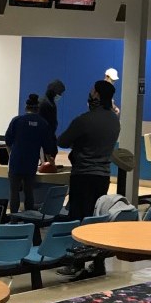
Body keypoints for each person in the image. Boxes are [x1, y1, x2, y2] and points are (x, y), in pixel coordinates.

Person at [56, 80, 121, 278]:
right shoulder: (114, 120)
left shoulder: (84, 119)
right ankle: (98, 262)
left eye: (92, 91)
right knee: (95, 218)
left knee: (78, 219)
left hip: (83, 175)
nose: (90, 94)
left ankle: (76, 263)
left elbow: (63, 140)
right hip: (103, 176)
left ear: (97, 95)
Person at [4, 93, 57, 213]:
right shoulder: (43, 123)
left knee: (14, 192)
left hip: (16, 162)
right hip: (31, 163)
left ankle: (13, 218)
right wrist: (52, 163)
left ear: (26, 107)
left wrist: (11, 155)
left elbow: (8, 141)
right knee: (29, 192)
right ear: (37, 109)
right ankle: (29, 218)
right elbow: (47, 149)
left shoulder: (17, 121)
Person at [37, 79, 65, 161]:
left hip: (49, 136)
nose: (60, 95)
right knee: (47, 156)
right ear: (54, 92)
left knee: (53, 152)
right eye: (59, 93)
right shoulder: (44, 103)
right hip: (44, 137)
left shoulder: (50, 102)